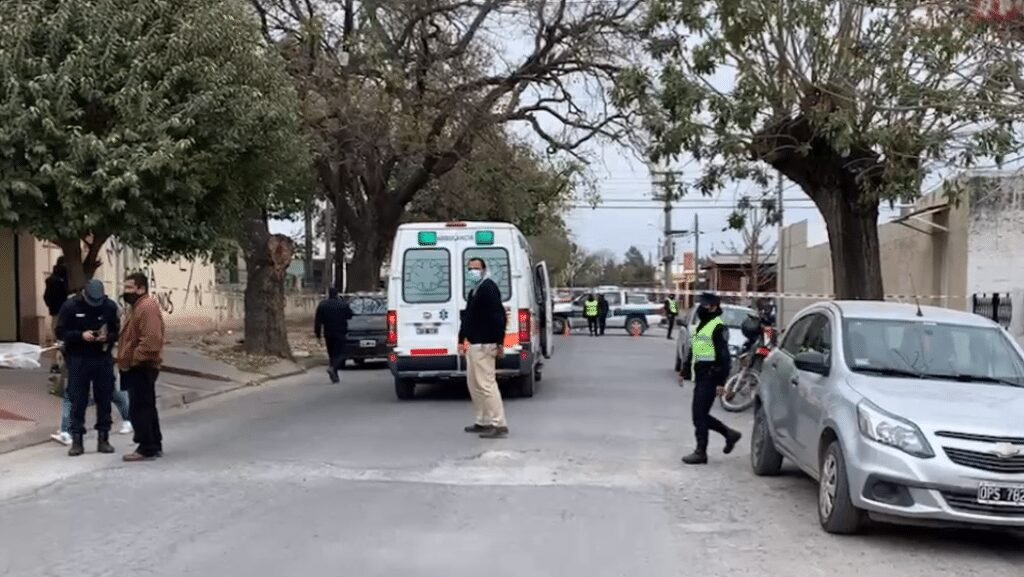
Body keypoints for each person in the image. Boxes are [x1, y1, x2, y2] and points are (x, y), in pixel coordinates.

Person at [57, 279, 120, 457]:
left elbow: (116, 332)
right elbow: (60, 332)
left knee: (104, 398)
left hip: (102, 357)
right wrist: (80, 335)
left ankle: (104, 438)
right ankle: (77, 440)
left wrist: (107, 337)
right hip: (78, 358)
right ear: (84, 293)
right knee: (78, 400)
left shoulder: (109, 306)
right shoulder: (70, 306)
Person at [679, 291, 742, 465]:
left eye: (705, 305)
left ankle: (701, 452)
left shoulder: (718, 327)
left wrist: (721, 382)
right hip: (701, 375)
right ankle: (729, 434)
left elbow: (724, 357)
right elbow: (695, 349)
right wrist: (684, 370)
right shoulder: (703, 325)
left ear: (714, 307)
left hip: (711, 375)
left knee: (699, 415)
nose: (701, 307)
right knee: (700, 415)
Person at [118, 272, 166, 462]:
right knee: (146, 406)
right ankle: (153, 443)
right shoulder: (138, 307)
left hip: (142, 366)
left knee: (140, 408)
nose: (126, 291)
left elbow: (151, 340)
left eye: (130, 287)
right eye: (125, 287)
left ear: (141, 288)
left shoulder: (146, 307)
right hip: (139, 365)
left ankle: (146, 447)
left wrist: (133, 360)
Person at [459, 257, 509, 439]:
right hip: (474, 344)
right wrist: (461, 339)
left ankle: (499, 424)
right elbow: (468, 317)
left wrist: (500, 342)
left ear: (484, 269)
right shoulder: (475, 290)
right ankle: (483, 420)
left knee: (486, 385)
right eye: (470, 268)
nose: (472, 272)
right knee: (474, 384)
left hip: (485, 344)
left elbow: (499, 317)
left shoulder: (488, 288)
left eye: (476, 268)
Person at [314, 287, 353, 383]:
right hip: (340, 332)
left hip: (328, 333)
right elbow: (350, 315)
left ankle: (334, 375)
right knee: (341, 353)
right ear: (337, 294)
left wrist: (318, 334)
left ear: (328, 294)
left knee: (332, 354)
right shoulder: (342, 305)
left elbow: (318, 321)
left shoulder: (322, 305)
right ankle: (333, 368)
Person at [43, 256, 69, 373]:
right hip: (61, 313)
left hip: (57, 313)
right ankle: (59, 362)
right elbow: (48, 297)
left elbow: (46, 297)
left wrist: (52, 308)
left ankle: (55, 363)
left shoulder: (52, 279)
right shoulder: (63, 280)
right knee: (60, 338)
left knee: (57, 338)